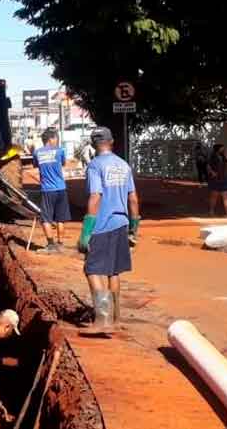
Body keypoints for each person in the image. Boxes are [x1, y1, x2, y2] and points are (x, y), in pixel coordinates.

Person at [77, 127, 140, 331]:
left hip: (102, 225)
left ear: (94, 145)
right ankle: (115, 319)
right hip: (121, 224)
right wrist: (134, 228)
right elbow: (133, 199)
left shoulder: (95, 166)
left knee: (92, 269)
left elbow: (96, 196)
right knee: (113, 272)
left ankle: (102, 319)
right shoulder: (123, 165)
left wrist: (86, 232)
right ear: (111, 142)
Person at [34, 128, 69, 252]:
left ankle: (51, 245)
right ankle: (60, 244)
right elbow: (63, 163)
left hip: (47, 190)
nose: (57, 141)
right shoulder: (60, 151)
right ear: (51, 139)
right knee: (60, 218)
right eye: (56, 138)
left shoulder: (37, 153)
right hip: (61, 189)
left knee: (46, 218)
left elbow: (36, 165)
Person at [207, 144, 227, 218]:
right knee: (214, 196)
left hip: (225, 179)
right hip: (216, 179)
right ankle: (211, 211)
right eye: (222, 148)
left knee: (226, 196)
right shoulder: (213, 157)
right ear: (217, 149)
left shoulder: (225, 157)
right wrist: (212, 172)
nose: (223, 150)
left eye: (223, 149)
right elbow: (208, 166)